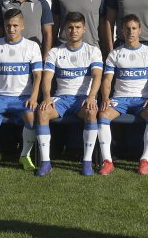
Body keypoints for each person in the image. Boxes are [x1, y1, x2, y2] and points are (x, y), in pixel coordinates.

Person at [0, 9, 44, 173]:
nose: (11, 29)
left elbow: (38, 75)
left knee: (32, 115)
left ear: (22, 26)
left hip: (23, 98)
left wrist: (34, 96)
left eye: (15, 26)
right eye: (8, 26)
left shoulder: (32, 46)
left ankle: (24, 155)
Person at [36, 12, 104, 177]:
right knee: (42, 112)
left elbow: (97, 76)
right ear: (64, 30)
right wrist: (46, 97)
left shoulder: (93, 51)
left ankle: (87, 162)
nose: (74, 31)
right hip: (61, 98)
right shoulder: (55, 52)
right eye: (70, 27)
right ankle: (46, 163)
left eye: (77, 27)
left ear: (84, 29)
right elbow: (47, 78)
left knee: (91, 111)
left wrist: (92, 97)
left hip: (82, 98)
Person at [97, 14, 148, 176]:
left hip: (143, 101)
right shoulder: (115, 54)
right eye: (127, 29)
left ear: (140, 30)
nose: (131, 32)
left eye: (134, 28)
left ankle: (144, 160)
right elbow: (107, 80)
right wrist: (105, 98)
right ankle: (107, 161)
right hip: (120, 99)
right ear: (122, 32)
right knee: (103, 114)